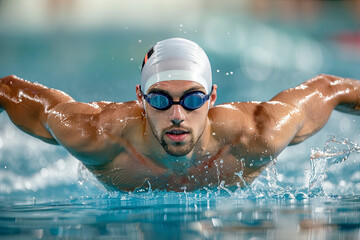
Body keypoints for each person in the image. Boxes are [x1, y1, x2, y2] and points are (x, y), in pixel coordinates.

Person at [0, 38, 359, 192]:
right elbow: (13, 91)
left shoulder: (256, 134)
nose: (176, 114)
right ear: (140, 99)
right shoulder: (96, 136)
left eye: (191, 100)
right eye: (159, 100)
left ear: (212, 98)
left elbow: (330, 88)